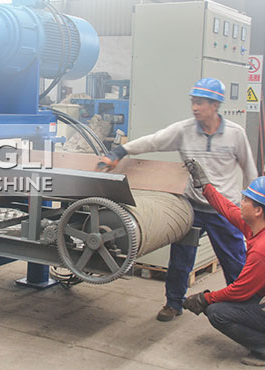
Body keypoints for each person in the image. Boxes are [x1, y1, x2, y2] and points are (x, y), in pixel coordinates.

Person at [98, 77, 257, 322]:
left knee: (235, 260)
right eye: (193, 101)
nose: (195, 107)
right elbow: (154, 141)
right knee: (181, 259)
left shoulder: (235, 134)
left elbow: (250, 170)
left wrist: (254, 209)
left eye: (200, 102)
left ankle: (243, 308)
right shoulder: (184, 130)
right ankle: (173, 303)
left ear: (215, 105)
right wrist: (120, 151)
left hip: (225, 210)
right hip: (191, 207)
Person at [183, 159, 265, 367]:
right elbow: (227, 209)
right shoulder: (255, 227)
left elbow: (240, 291)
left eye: (246, 200)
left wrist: (205, 298)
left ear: (258, 211)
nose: (241, 203)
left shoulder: (261, 250)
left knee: (218, 312)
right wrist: (205, 186)